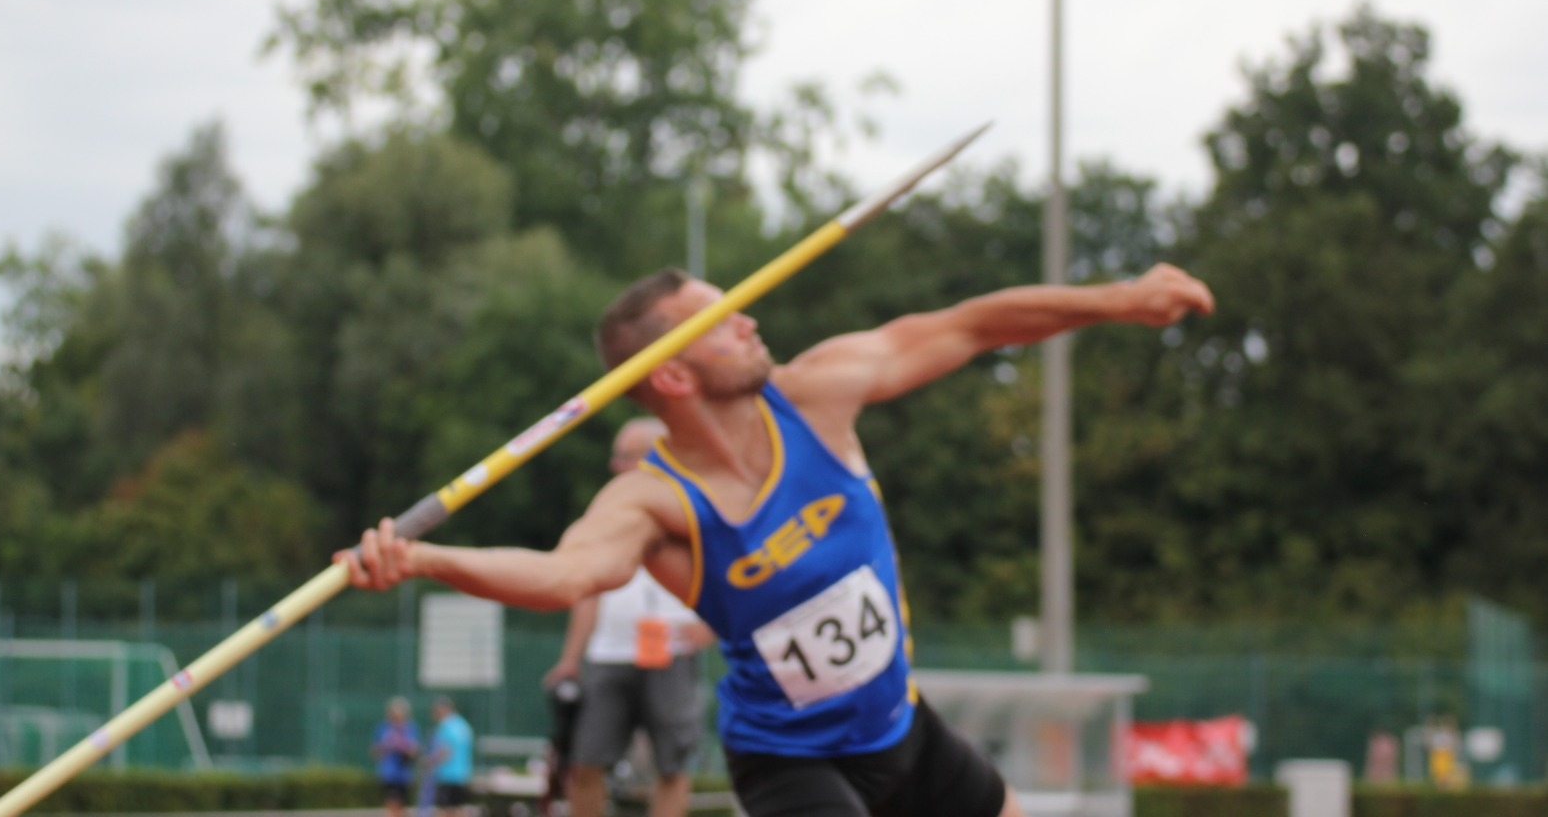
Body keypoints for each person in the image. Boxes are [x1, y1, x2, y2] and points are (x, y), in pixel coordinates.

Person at [342, 262, 1214, 817]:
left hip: (902, 731)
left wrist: (1120, 300)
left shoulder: (817, 398)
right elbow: (564, 575)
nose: (751, 322)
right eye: (725, 320)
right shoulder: (655, 502)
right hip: (793, 764)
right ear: (673, 373)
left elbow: (971, 325)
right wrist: (422, 558)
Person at [542, 417, 716, 817]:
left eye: (624, 457)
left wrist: (712, 625)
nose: (614, 466)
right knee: (585, 761)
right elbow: (587, 590)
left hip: (670, 653)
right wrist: (570, 658)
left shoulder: (692, 508)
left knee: (672, 764)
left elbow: (727, 573)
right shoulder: (603, 514)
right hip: (610, 654)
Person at [371, 696, 421, 817]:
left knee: (402, 806)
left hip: (404, 774)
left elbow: (414, 751)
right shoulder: (383, 728)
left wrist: (402, 745)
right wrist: (386, 745)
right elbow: (375, 751)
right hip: (389, 773)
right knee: (392, 804)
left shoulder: (411, 728)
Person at [427, 695, 475, 817]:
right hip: (463, 774)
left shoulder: (445, 726)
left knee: (444, 810)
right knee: (459, 809)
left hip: (447, 775)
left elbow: (445, 751)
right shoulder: (463, 725)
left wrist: (430, 761)